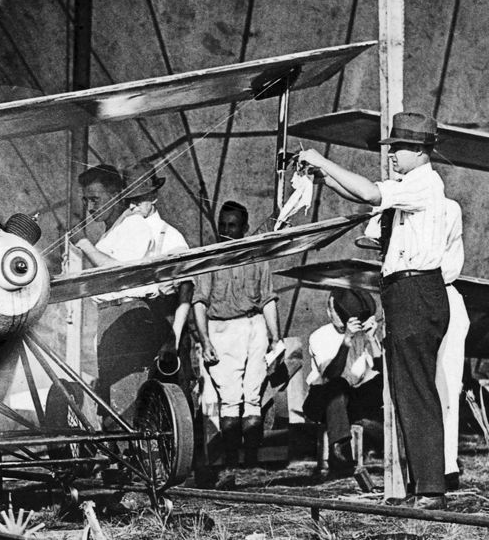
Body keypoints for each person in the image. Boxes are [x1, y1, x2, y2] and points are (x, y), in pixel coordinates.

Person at [299, 111, 451, 509]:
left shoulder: (422, 184)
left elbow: (368, 194)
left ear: (419, 150)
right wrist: (323, 178)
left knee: (415, 390)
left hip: (416, 290)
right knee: (405, 389)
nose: (392, 155)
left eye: (399, 148)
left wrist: (322, 161)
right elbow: (363, 192)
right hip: (406, 292)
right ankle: (423, 485)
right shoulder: (411, 184)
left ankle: (431, 488)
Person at [71, 161, 188, 420]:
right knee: (112, 399)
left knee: (126, 402)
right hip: (110, 317)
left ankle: (130, 455)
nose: (91, 207)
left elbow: (120, 272)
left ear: (116, 195)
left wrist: (83, 244)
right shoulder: (111, 233)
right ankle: (123, 454)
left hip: (127, 315)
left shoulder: (136, 225)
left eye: (96, 199)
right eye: (86, 200)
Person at [186, 201, 284, 482]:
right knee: (230, 400)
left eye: (233, 226)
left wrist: (275, 338)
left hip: (253, 327)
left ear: (244, 228)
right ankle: (230, 465)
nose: (226, 231)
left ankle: (249, 466)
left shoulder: (258, 257)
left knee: (252, 398)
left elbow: (267, 300)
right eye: (223, 225)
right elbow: (200, 303)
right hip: (221, 330)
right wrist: (205, 341)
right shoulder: (209, 259)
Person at [302, 289, 383, 476]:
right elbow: (331, 374)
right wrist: (346, 340)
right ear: (329, 311)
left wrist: (372, 339)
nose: (340, 316)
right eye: (336, 311)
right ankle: (340, 450)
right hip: (321, 401)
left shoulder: (361, 335)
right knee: (339, 385)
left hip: (350, 399)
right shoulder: (319, 336)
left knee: (384, 382)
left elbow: (382, 370)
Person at [435, 199, 469, 489]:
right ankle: (428, 463)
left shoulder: (448, 208)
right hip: (415, 297)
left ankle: (446, 464)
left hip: (442, 294)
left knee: (447, 385)